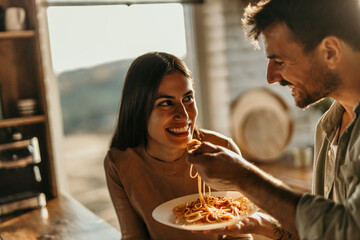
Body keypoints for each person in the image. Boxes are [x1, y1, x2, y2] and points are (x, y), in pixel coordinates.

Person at [188, 0, 360, 239]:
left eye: (279, 61)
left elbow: (350, 229)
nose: (271, 78)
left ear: (329, 51)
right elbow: (328, 230)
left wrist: (242, 176)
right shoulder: (327, 128)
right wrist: (268, 227)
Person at [104, 52, 250, 240]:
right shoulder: (119, 163)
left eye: (188, 98)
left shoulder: (222, 149)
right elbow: (133, 236)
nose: (184, 114)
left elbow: (240, 236)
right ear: (139, 110)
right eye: (165, 103)